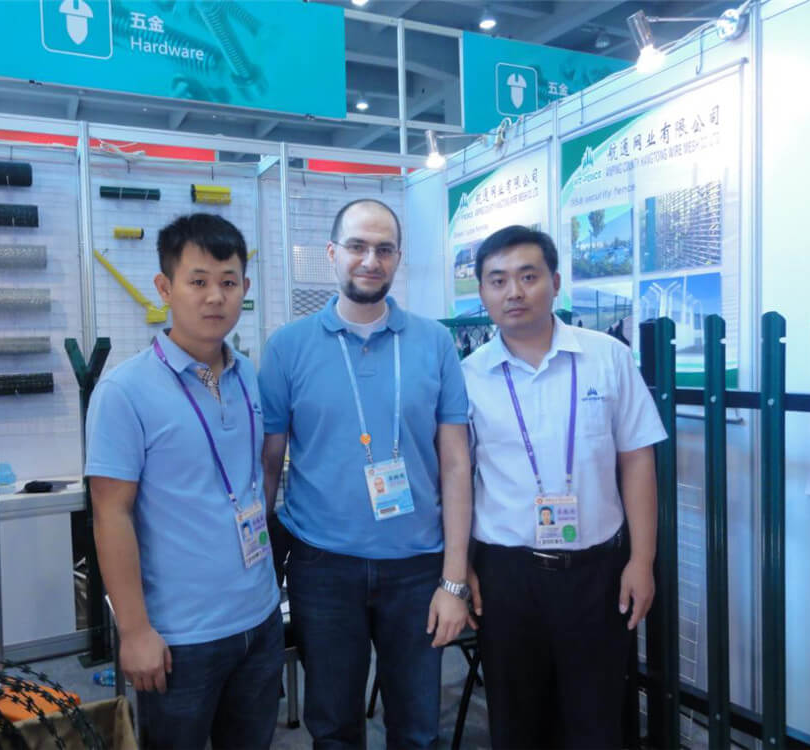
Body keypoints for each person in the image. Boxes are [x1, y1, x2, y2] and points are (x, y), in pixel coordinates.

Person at [259, 198, 474, 749]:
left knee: (417, 730)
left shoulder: (434, 342)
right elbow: (268, 463)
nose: (370, 260)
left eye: (384, 249)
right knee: (333, 727)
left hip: (418, 567)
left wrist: (453, 580)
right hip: (322, 566)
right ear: (332, 253)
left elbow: (456, 463)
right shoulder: (287, 348)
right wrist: (257, 564)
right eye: (357, 246)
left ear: (398, 257)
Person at [462, 225, 667, 749]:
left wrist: (641, 561)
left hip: (597, 573)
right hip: (505, 576)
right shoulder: (466, 377)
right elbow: (456, 479)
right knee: (516, 722)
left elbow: (637, 460)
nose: (514, 292)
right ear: (482, 292)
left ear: (554, 282)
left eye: (528, 276)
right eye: (498, 280)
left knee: (596, 721)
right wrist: (460, 567)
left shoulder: (608, 357)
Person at [85, 213, 282, 750]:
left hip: (260, 620)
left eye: (229, 282)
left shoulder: (247, 375)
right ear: (165, 287)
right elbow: (110, 515)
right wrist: (134, 631)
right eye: (198, 281)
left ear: (244, 287)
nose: (215, 297)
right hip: (179, 638)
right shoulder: (124, 392)